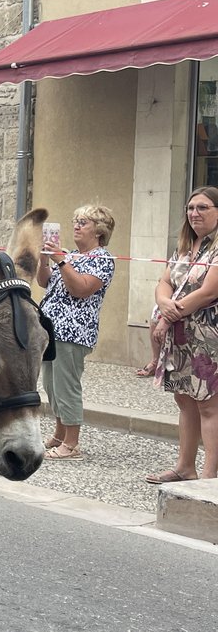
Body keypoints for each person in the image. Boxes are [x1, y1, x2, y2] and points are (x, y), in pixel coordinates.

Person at [147, 186, 218, 482]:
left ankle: (209, 474)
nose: (194, 213)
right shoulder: (184, 246)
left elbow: (208, 292)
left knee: (209, 405)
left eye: (202, 208)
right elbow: (164, 281)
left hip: (208, 335)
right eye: (191, 208)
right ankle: (184, 466)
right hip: (181, 335)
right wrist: (164, 303)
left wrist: (167, 313)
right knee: (184, 400)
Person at [37, 205, 117, 461]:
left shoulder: (102, 259)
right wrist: (43, 259)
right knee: (51, 385)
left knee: (66, 386)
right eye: (75, 221)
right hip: (52, 328)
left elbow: (81, 289)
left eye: (84, 222)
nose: (77, 226)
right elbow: (44, 281)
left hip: (73, 332)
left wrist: (60, 260)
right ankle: (60, 434)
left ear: (99, 230)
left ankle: (71, 444)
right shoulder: (71, 255)